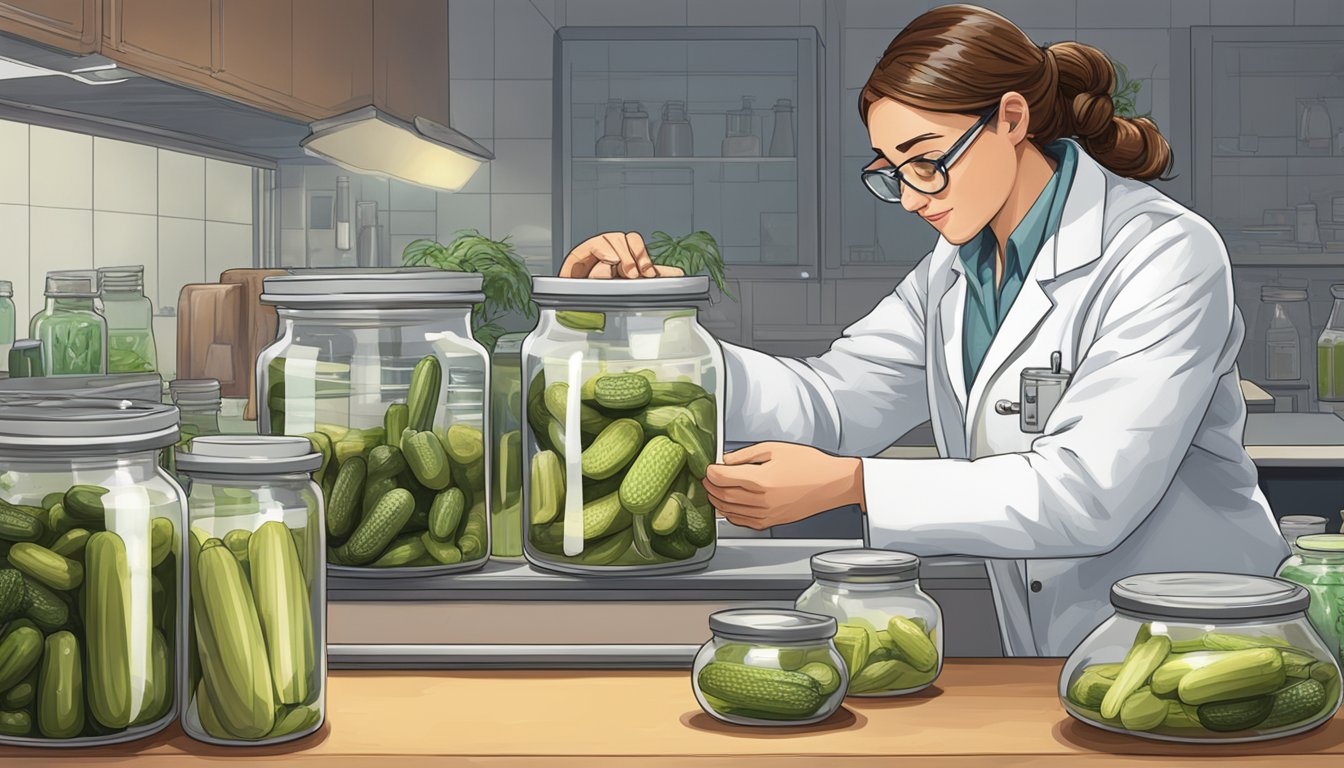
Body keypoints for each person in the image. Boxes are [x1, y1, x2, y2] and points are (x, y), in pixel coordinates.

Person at [557, 5, 1287, 656]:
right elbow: (836, 404)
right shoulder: (955, 267)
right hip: (1056, 651)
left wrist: (851, 485)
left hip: (1206, 640)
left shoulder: (1163, 251)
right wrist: (658, 335)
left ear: (1010, 119)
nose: (909, 199)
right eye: (891, 171)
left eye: (928, 162)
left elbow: (1087, 494)